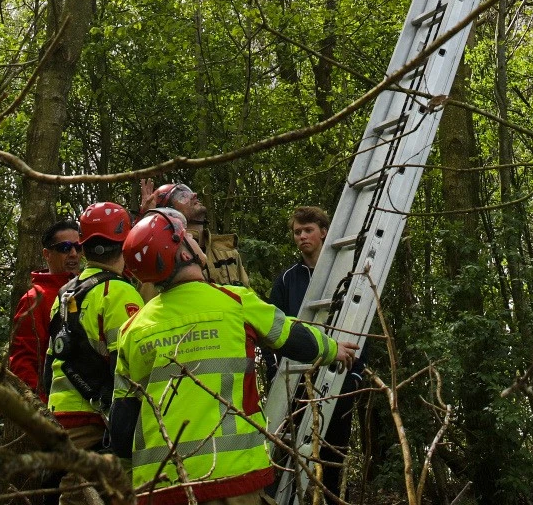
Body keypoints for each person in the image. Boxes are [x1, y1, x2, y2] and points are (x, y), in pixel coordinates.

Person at [107, 208, 358, 505]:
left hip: (160, 485)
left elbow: (121, 426)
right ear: (183, 251)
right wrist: (334, 349)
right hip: (233, 478)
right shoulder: (233, 301)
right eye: (187, 236)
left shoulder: (133, 330)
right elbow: (293, 338)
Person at [48, 202, 144, 505]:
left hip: (59, 415)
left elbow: (51, 360)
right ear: (125, 244)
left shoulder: (65, 294)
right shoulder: (120, 292)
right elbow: (129, 365)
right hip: (95, 421)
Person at [269, 206, 361, 503]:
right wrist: (276, 377)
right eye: (297, 232)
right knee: (290, 460)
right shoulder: (287, 280)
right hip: (296, 385)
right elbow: (274, 332)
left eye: (308, 230)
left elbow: (362, 326)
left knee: (334, 460)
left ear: (324, 231)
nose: (302, 237)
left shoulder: (348, 274)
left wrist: (356, 376)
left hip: (339, 382)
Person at [7, 217, 83, 392]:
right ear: (47, 254)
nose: (73, 253)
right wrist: (40, 409)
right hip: (54, 407)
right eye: (64, 248)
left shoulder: (88, 288)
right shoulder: (34, 299)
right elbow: (23, 362)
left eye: (78, 247)